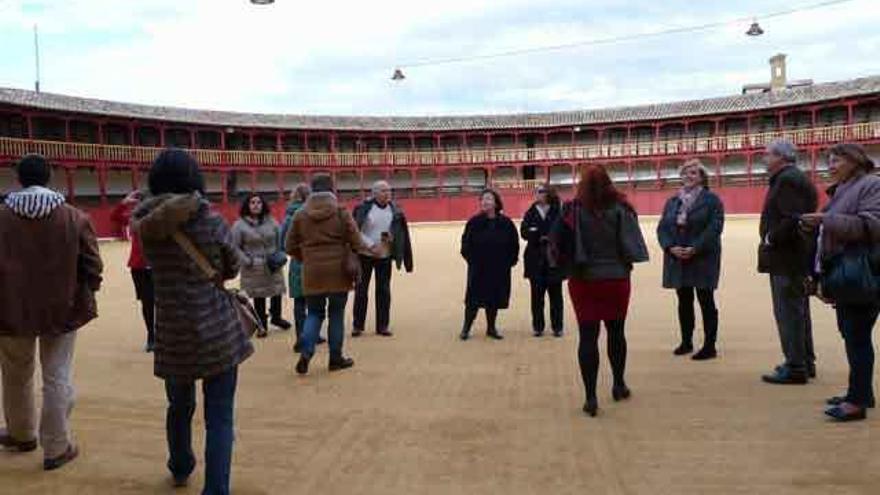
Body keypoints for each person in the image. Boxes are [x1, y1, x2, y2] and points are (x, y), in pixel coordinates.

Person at [132, 148, 253, 492]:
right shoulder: (209, 219)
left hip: (172, 327)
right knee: (219, 415)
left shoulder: (145, 224)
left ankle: (181, 463)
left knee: (179, 405)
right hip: (215, 324)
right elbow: (231, 266)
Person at [0, 154, 103, 470]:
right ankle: (56, 446)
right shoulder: (74, 217)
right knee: (56, 375)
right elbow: (93, 265)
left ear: (18, 179)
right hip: (62, 309)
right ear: (49, 178)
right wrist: (85, 290)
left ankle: (21, 433)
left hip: (10, 307)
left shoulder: (1, 216)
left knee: (16, 373)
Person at [551, 164, 649, 417]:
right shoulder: (621, 208)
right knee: (616, 331)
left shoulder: (573, 210)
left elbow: (556, 244)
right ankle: (618, 384)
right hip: (616, 279)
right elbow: (632, 243)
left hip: (584, 280)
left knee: (588, 336)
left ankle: (591, 398)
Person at [800, 144, 880, 421]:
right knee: (852, 334)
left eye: (836, 160)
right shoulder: (845, 188)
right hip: (846, 272)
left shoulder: (871, 184)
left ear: (855, 160)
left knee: (857, 336)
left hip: (862, 272)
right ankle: (860, 392)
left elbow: (871, 226)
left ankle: (857, 401)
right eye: (829, 161)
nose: (830, 166)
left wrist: (825, 219)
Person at [285, 174, 375, 375]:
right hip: (338, 270)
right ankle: (335, 358)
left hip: (312, 269)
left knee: (314, 313)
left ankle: (306, 351)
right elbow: (356, 240)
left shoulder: (301, 214)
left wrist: (304, 258)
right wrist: (365, 252)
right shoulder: (340, 211)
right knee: (336, 313)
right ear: (332, 189)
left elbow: (289, 245)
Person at [758, 140, 819, 385]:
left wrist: (771, 237)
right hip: (794, 255)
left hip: (786, 256)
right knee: (798, 310)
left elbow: (792, 219)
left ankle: (795, 366)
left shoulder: (787, 180)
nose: (764, 158)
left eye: (768, 154)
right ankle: (805, 361)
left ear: (781, 157)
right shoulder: (793, 178)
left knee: (788, 312)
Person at [657, 159, 725, 360]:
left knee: (706, 300)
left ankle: (709, 346)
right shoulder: (672, 201)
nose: (688, 176)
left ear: (702, 178)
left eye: (693, 173)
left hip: (703, 257)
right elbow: (662, 228)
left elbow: (715, 228)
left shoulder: (712, 200)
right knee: (684, 300)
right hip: (678, 257)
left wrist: (695, 248)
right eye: (685, 173)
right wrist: (670, 247)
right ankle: (686, 341)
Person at [352, 180, 414, 337]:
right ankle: (358, 325)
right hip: (365, 254)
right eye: (383, 191)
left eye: (389, 190)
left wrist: (389, 242)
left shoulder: (394, 210)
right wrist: (371, 245)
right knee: (361, 290)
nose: (388, 194)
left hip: (384, 255)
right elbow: (355, 230)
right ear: (374, 193)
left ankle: (383, 325)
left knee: (384, 291)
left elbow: (393, 231)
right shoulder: (363, 208)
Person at [459, 189, 520, 341]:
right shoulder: (474, 222)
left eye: (488, 199)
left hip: (498, 268)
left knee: (493, 298)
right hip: (479, 268)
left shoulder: (506, 223)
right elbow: (465, 244)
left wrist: (509, 262)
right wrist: (472, 261)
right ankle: (466, 328)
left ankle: (491, 328)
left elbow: (514, 244)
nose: (485, 202)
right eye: (483, 199)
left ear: (496, 203)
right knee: (473, 299)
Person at [231, 193, 291, 337]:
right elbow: (235, 247)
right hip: (253, 264)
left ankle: (276, 317)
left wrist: (279, 254)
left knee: (276, 290)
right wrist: (246, 261)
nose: (256, 205)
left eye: (258, 202)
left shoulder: (271, 221)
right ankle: (261, 323)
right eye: (252, 202)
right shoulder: (239, 225)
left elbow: (279, 237)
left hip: (272, 262)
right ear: (247, 205)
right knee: (259, 295)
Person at [111, 190, 156, 352]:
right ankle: (152, 336)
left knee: (158, 303)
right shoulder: (134, 217)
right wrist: (124, 202)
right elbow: (114, 218)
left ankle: (157, 336)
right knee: (148, 303)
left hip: (153, 266)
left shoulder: (158, 218)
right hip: (140, 266)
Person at [520, 184, 564, 337]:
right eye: (536, 192)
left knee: (556, 296)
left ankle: (557, 327)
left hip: (553, 258)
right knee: (536, 296)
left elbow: (563, 232)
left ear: (548, 194)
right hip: (535, 258)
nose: (536, 194)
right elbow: (524, 232)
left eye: (540, 191)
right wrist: (540, 235)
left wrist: (537, 233)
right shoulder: (531, 212)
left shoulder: (558, 211)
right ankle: (538, 327)